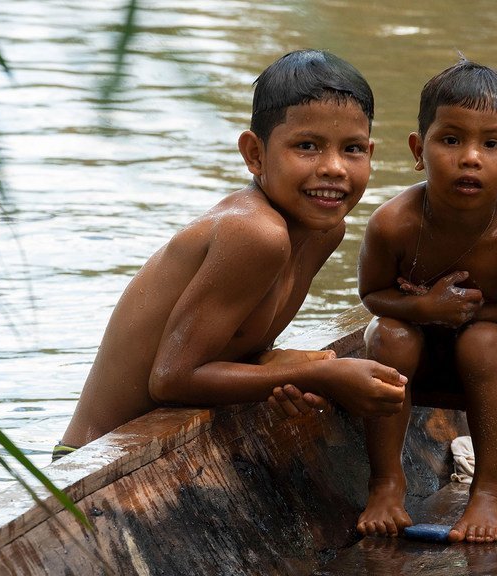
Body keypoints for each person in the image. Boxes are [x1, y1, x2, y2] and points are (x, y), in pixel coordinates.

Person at [56, 49, 408, 459]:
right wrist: (321, 374)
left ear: (371, 153)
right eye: (307, 146)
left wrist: (271, 364)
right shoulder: (255, 232)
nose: (334, 167)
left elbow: (226, 349)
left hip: (176, 452)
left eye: (352, 150)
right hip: (92, 458)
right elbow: (170, 380)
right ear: (255, 154)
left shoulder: (323, 232)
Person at [355, 57, 497, 543]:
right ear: (418, 149)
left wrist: (470, 314)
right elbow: (372, 296)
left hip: (484, 357)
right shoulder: (393, 223)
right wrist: (425, 310)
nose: (470, 158)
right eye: (451, 139)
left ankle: (490, 489)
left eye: (492, 144)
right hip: (414, 349)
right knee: (388, 335)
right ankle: (386, 482)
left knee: (484, 343)